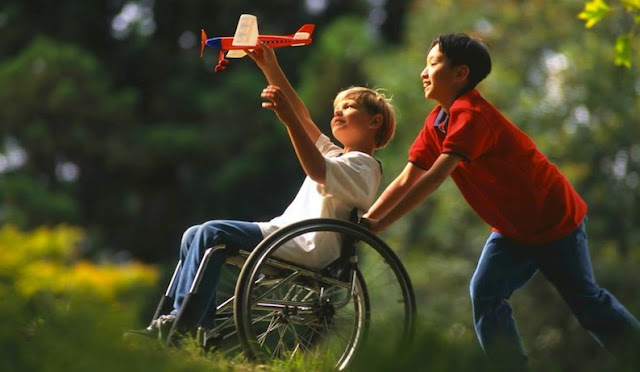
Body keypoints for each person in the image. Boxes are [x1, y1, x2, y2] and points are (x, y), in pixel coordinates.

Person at [362, 33, 639, 365]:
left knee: (587, 304)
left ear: (460, 73)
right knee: (485, 293)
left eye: (433, 63)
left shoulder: (471, 115)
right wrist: (367, 221)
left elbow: (435, 176)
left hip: (555, 220)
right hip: (512, 230)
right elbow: (409, 176)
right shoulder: (437, 122)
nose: (424, 71)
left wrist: (380, 224)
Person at [130, 41, 396, 342]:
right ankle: (181, 322)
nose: (337, 113)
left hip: (307, 245)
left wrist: (288, 120)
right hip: (285, 233)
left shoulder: (364, 166)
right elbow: (304, 118)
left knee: (210, 233)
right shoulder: (338, 156)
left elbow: (316, 168)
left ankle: (183, 326)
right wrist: (270, 66)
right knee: (194, 234)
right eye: (336, 109)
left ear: (375, 122)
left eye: (348, 107)